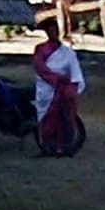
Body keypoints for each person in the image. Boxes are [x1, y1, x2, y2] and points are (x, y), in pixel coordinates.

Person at [28, 20, 88, 157]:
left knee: (65, 119)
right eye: (50, 30)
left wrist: (70, 84)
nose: (52, 33)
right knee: (47, 120)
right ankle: (47, 147)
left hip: (64, 89)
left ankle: (64, 147)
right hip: (47, 89)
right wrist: (56, 78)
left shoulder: (67, 52)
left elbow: (75, 71)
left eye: (54, 30)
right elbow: (40, 67)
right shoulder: (41, 49)